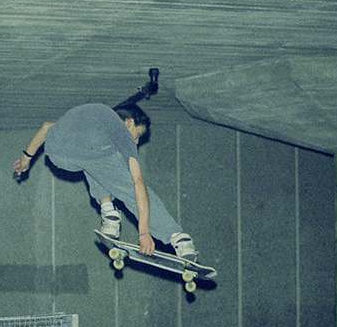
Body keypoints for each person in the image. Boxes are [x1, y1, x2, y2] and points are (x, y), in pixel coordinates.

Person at [13, 102, 198, 260]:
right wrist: (144, 232)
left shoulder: (96, 120)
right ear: (130, 123)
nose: (136, 142)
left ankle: (109, 212)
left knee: (96, 163)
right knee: (130, 189)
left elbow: (46, 127)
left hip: (57, 155)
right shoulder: (122, 133)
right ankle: (179, 238)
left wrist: (26, 158)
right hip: (83, 154)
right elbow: (138, 182)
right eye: (138, 134)